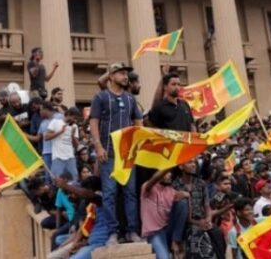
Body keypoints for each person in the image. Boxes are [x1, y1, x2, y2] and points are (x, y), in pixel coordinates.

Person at [89, 62, 143, 245]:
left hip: (127, 153)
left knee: (130, 194)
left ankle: (132, 231)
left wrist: (138, 144)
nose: (124, 76)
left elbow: (138, 122)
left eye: (126, 73)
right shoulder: (101, 97)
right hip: (108, 153)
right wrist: (98, 146)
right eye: (120, 73)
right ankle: (112, 233)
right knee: (110, 193)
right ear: (111, 76)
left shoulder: (130, 99)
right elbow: (94, 122)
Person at [141, 169, 188, 259]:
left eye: (170, 172)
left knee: (183, 203)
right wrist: (167, 167)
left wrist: (186, 194)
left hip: (168, 230)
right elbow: (154, 179)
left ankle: (176, 241)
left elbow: (184, 200)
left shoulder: (171, 191)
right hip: (154, 233)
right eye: (166, 172)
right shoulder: (147, 187)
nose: (170, 175)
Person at [47, 107, 80, 182]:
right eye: (74, 118)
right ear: (68, 114)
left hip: (70, 157)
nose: (75, 120)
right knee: (57, 181)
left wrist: (72, 135)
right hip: (57, 157)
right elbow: (46, 137)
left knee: (73, 180)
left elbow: (77, 145)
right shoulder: (55, 122)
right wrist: (60, 131)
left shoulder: (75, 126)